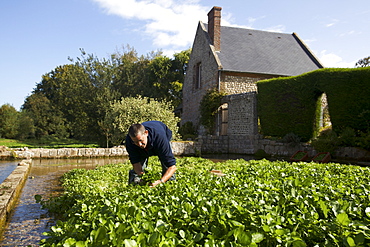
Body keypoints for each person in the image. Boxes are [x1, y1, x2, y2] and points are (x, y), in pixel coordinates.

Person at [125, 121, 176, 187]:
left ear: (146, 133)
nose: (139, 144)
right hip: (144, 146)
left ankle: (170, 186)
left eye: (141, 140)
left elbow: (172, 166)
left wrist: (161, 181)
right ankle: (134, 187)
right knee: (137, 175)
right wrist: (143, 178)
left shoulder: (160, 138)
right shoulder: (130, 141)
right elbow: (136, 163)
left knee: (166, 166)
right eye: (135, 142)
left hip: (160, 136)